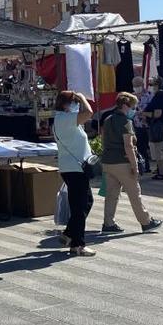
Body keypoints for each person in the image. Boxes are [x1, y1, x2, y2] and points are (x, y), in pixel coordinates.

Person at [101, 92, 163, 234]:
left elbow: (103, 139)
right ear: (124, 105)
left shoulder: (108, 119)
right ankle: (146, 221)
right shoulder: (125, 122)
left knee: (111, 194)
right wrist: (134, 166)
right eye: (132, 106)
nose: (134, 110)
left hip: (108, 161)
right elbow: (128, 145)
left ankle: (108, 223)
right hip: (122, 162)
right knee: (134, 193)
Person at [52, 90, 96, 256]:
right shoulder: (64, 119)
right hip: (74, 169)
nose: (77, 105)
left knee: (87, 202)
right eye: (74, 102)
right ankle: (77, 245)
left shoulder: (65, 120)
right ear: (65, 104)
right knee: (79, 207)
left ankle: (70, 233)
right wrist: (83, 97)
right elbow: (89, 113)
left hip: (75, 168)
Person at [143, 76, 163, 180]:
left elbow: (157, 113)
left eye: (151, 84)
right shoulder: (160, 94)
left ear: (156, 85)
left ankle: (162, 172)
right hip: (162, 124)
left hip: (159, 125)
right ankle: (160, 169)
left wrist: (143, 113)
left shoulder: (159, 95)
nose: (150, 86)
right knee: (160, 149)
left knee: (159, 149)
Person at [132, 76, 152, 174]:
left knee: (150, 146)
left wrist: (144, 114)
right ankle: (144, 167)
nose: (136, 87)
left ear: (143, 85)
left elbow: (152, 108)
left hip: (148, 125)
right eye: (135, 86)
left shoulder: (148, 95)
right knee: (140, 147)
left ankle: (154, 167)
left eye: (138, 85)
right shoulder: (131, 97)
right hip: (137, 125)